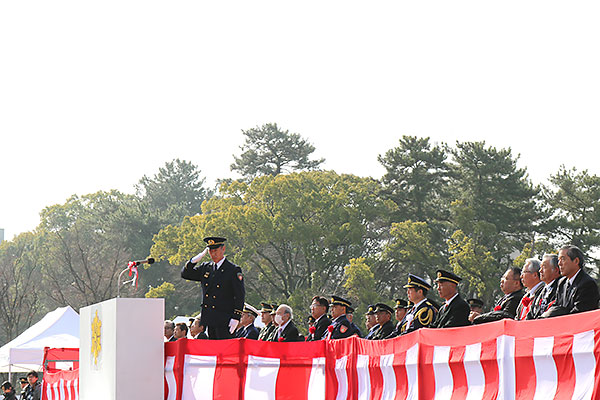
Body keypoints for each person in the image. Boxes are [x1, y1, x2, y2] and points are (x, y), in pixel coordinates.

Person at [181, 236, 245, 339]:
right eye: (210, 251)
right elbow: (186, 274)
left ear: (223, 249)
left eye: (215, 250)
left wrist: (236, 317)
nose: (213, 254)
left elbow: (239, 295)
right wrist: (193, 261)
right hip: (210, 318)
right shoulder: (206, 268)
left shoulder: (232, 270)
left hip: (225, 318)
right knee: (213, 351)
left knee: (225, 351)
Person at [543, 245, 600, 317]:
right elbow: (556, 306)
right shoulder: (561, 283)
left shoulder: (587, 284)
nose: (559, 263)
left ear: (576, 261)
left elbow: (579, 314)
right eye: (559, 260)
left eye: (563, 259)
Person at [528, 254, 561, 319]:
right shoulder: (540, 291)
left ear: (556, 270)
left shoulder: (561, 288)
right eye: (540, 267)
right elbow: (531, 313)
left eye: (544, 267)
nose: (540, 271)